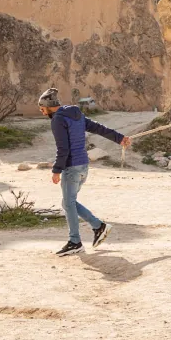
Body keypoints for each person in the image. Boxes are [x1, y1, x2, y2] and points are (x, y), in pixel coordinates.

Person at [39, 88, 132, 256]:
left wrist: (56, 170)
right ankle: (97, 227)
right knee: (69, 203)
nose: (41, 111)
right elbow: (99, 128)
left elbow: (63, 149)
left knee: (68, 203)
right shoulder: (77, 115)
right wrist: (119, 138)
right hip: (84, 166)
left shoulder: (58, 120)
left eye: (41, 107)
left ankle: (76, 241)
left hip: (72, 168)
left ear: (48, 106)